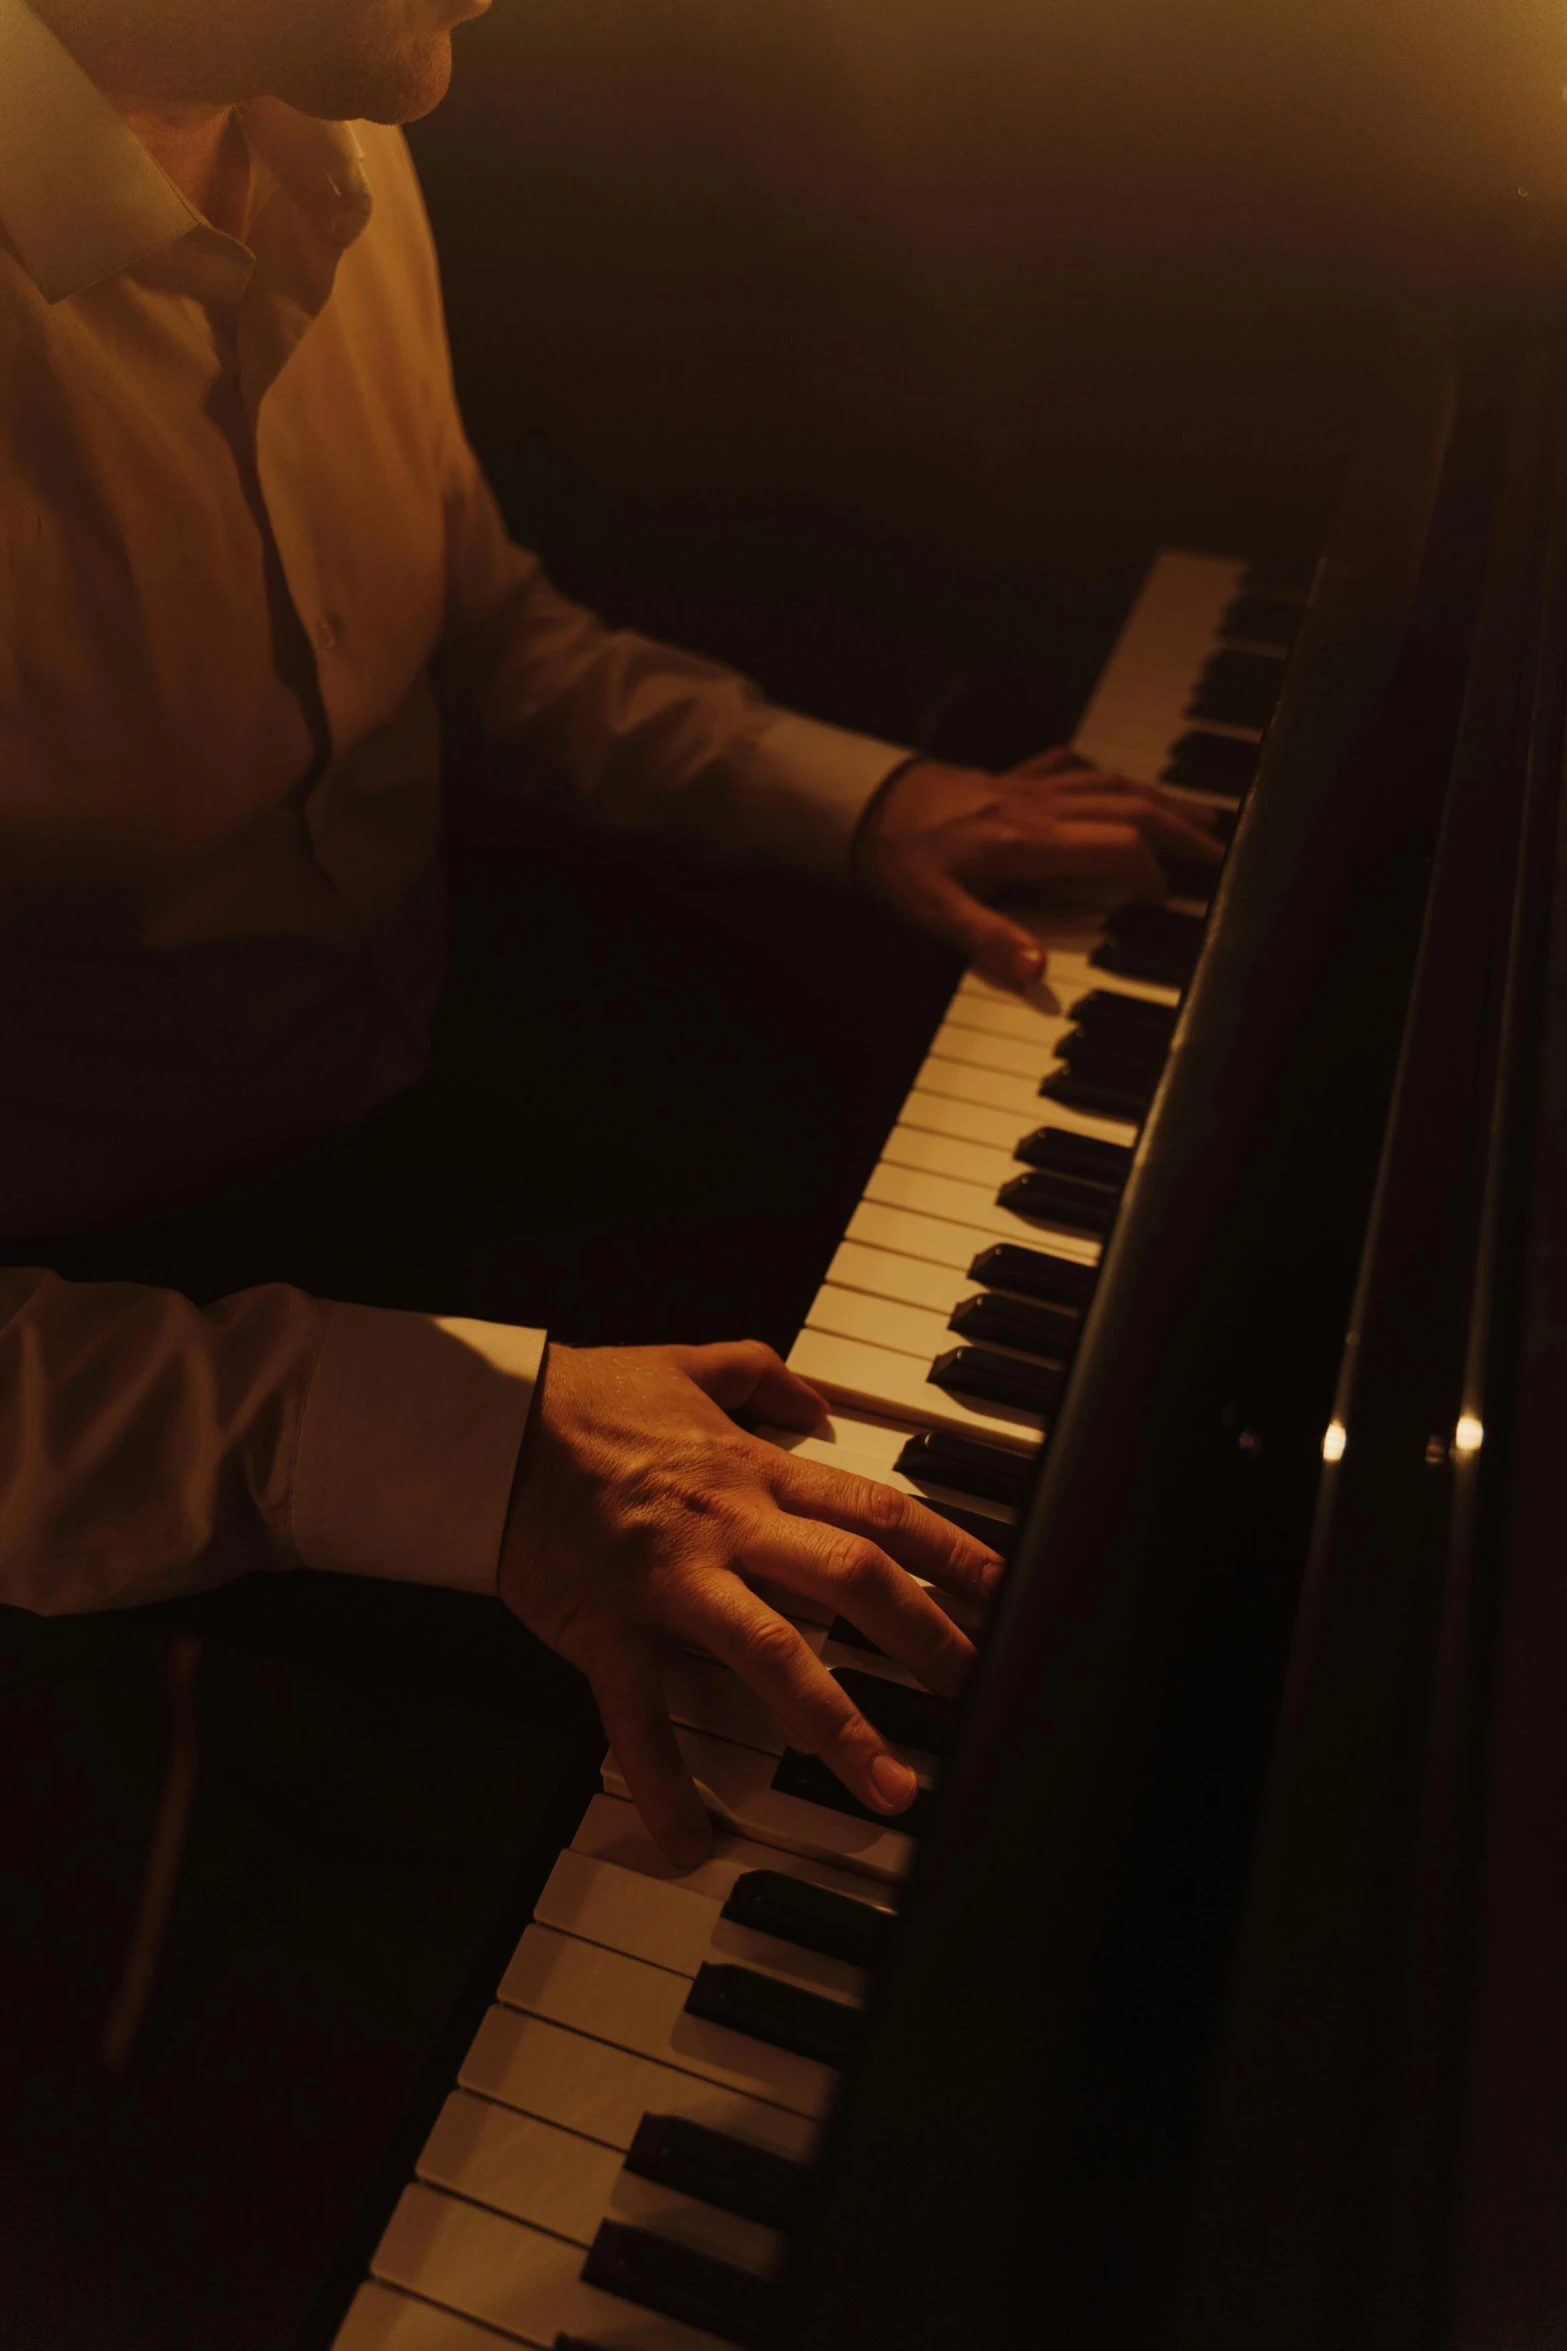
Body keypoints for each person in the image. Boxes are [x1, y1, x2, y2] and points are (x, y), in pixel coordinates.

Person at [0, 0, 1219, 1868]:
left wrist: (862, 798)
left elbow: (473, 626)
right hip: (126, 1298)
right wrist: (478, 1458)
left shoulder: (328, 121)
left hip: (419, 1049)